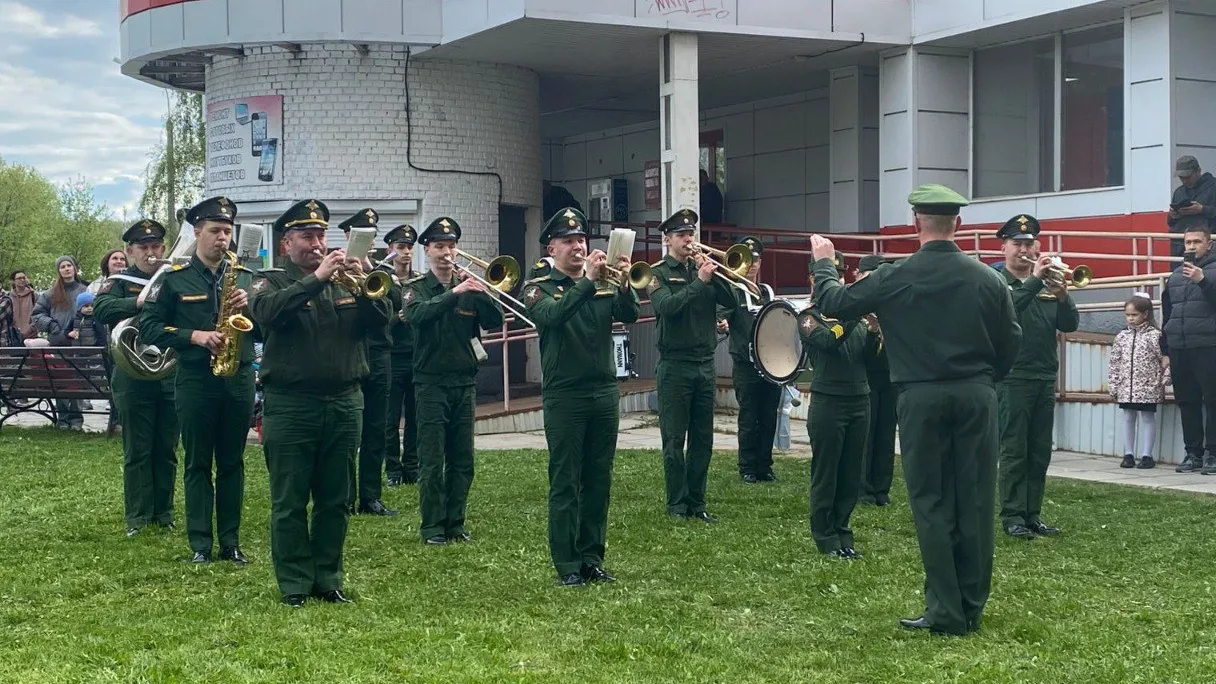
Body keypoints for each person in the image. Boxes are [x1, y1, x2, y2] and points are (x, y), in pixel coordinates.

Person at [808, 183, 1021, 636]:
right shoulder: (989, 278)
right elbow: (1011, 344)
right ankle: (970, 604)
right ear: (957, 224)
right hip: (976, 394)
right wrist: (982, 382)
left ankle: (944, 608)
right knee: (977, 498)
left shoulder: (897, 274)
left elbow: (833, 304)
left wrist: (824, 262)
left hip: (921, 396)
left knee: (932, 500)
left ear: (915, 224)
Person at [251, 198, 390, 606]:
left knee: (335, 499)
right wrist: (316, 279)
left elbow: (383, 322)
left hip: (345, 402)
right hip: (291, 405)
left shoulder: (346, 280)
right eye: (307, 237)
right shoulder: (270, 280)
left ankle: (328, 578)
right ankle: (294, 583)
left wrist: (365, 284)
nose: (317, 244)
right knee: (290, 499)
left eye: (320, 236)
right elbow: (266, 315)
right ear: (286, 244)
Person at [523, 207, 640, 587]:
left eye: (582, 240)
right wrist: (586, 282)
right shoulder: (538, 286)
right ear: (551, 247)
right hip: (566, 394)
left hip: (603, 391)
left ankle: (592, 556)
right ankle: (567, 564)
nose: (578, 246)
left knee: (598, 479)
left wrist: (623, 282)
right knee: (565, 480)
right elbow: (553, 317)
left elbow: (630, 314)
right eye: (569, 241)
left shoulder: (603, 281)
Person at [139, 199, 256, 564]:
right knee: (198, 462)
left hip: (237, 378)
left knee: (233, 461)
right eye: (215, 232)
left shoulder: (247, 279)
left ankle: (231, 541)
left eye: (227, 231)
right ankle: (201, 544)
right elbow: (150, 327)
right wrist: (196, 336)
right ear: (197, 233)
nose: (223, 239)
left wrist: (250, 305)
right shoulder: (174, 277)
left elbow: (268, 326)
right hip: (194, 379)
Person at [403, 217, 503, 545]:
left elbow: (494, 320)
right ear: (427, 250)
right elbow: (417, 316)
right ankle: (433, 527)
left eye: (451, 246)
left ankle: (455, 523)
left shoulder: (469, 286)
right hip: (430, 383)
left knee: (463, 459)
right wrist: (454, 292)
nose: (447, 252)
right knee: (432, 460)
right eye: (440, 247)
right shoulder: (415, 288)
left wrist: (482, 290)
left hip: (463, 382)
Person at [647, 208, 737, 522]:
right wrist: (699, 282)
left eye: (691, 234)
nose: (689, 239)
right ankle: (676, 504)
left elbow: (733, 301)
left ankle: (697, 503)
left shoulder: (703, 268)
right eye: (682, 235)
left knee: (703, 439)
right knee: (674, 439)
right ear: (668, 238)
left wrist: (716, 272)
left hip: (704, 363)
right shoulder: (657, 273)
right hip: (675, 365)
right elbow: (667, 307)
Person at [992, 215, 1079, 540]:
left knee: (1039, 450)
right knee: (1014, 450)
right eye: (1018, 244)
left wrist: (1062, 295)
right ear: (1004, 247)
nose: (1024, 250)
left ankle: (1032, 514)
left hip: (1044, 377)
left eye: (1030, 245)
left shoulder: (1046, 284)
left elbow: (1069, 324)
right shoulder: (997, 281)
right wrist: (1035, 281)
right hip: (1013, 378)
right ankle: (1013, 515)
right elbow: (1006, 312)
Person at [94, 220, 180, 537]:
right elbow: (101, 308)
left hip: (169, 372)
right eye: (143, 248)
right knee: (137, 449)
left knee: (167, 447)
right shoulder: (120, 281)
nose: (151, 253)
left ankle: (164, 512)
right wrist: (139, 301)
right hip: (132, 373)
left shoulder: (174, 279)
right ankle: (138, 517)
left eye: (156, 246)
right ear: (130, 251)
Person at [337, 208, 397, 517]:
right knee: (350, 429)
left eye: (371, 236)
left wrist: (369, 269)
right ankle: (345, 496)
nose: (368, 240)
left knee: (377, 427)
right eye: (361, 234)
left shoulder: (382, 272)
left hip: (381, 355)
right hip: (351, 355)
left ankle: (371, 495)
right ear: (348, 237)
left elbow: (396, 305)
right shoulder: (335, 268)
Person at [798, 302, 869, 558]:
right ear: (814, 281)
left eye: (839, 276)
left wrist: (875, 333)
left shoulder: (858, 322)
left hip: (860, 399)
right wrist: (853, 318)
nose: (837, 281)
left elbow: (871, 360)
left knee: (851, 474)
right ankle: (825, 537)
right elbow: (828, 342)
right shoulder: (808, 318)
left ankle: (842, 532)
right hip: (828, 400)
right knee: (827, 473)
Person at [720, 236, 781, 484]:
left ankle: (764, 465)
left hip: (770, 363)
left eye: (755, 260)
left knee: (768, 415)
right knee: (748, 415)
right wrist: (721, 324)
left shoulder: (766, 291)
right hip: (745, 363)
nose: (752, 265)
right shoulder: (733, 292)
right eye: (748, 259)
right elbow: (721, 318)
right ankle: (747, 466)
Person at [1160, 224, 1216, 474]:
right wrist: (1165, 349)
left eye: (1197, 242)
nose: (1191, 247)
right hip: (1179, 346)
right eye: (1188, 242)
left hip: (1208, 345)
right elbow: (1167, 315)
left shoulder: (1212, 272)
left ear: (1209, 244)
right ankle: (1192, 453)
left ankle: (1213, 455)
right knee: (1187, 401)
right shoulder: (1174, 276)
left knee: (1213, 401)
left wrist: (1202, 280)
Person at [854, 255, 896, 507]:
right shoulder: (855, 304)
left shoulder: (889, 304)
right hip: (865, 376)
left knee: (885, 433)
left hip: (888, 376)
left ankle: (881, 487)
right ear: (859, 276)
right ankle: (863, 488)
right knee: (866, 436)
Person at [1108, 294, 1168, 470]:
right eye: (1127, 315)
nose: (1130, 318)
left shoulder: (1155, 335)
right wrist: (1114, 384)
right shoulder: (1122, 336)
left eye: (1134, 315)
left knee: (1148, 417)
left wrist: (1164, 380)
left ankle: (1147, 455)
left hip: (1149, 386)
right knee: (1128, 417)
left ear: (1146, 314)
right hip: (1127, 386)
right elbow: (1115, 362)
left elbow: (1164, 359)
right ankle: (1128, 454)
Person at [32, 256, 89, 430]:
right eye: (62, 266)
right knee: (60, 380)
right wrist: (52, 325)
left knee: (77, 380)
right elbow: (37, 315)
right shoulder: (50, 294)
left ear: (74, 268)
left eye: (69, 265)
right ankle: (63, 418)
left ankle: (76, 418)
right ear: (59, 270)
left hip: (81, 342)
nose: (66, 269)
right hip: (58, 342)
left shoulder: (85, 290)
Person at [384, 224, 420, 487]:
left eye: (409, 248)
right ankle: (393, 470)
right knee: (391, 418)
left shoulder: (418, 281)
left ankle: (412, 467)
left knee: (415, 418)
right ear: (390, 250)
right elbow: (375, 323)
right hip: (392, 356)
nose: (406, 253)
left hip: (416, 355)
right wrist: (397, 318)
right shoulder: (382, 281)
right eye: (400, 248)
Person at [1168, 156, 1216, 258]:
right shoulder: (1179, 192)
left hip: (1208, 244)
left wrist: (1202, 209)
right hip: (1180, 245)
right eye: (1181, 177)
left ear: (1198, 171)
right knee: (1179, 273)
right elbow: (1170, 222)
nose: (1184, 180)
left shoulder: (1213, 187)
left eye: (1188, 176)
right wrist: (1172, 215)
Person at [8, 271, 37, 342]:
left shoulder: (33, 295)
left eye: (24, 278)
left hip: (31, 336)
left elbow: (38, 314)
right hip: (13, 336)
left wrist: (32, 327)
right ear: (13, 281)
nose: (22, 280)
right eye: (19, 278)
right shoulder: (8, 297)